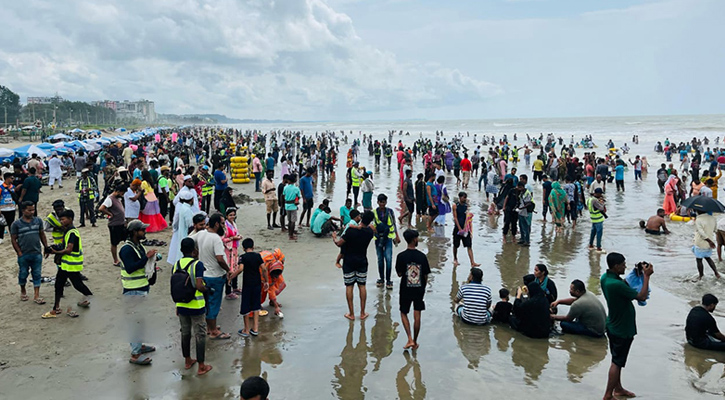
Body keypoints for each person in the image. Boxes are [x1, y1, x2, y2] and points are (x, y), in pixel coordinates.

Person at [600, 252, 653, 400]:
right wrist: (647, 276)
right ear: (616, 266)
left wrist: (636, 273)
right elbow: (641, 296)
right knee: (617, 363)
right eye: (623, 264)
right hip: (622, 329)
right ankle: (607, 395)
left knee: (617, 359)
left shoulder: (606, 279)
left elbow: (625, 285)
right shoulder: (615, 285)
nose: (625, 266)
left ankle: (618, 388)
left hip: (613, 324)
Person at [119, 220, 158, 366]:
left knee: (140, 320)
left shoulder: (137, 246)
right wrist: (146, 258)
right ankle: (135, 354)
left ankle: (139, 346)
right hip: (133, 289)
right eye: (142, 230)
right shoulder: (126, 249)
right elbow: (130, 268)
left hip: (140, 287)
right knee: (135, 322)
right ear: (134, 232)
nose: (144, 232)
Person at [43, 210, 94, 319]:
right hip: (66, 264)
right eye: (60, 220)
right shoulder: (68, 231)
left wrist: (54, 252)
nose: (61, 222)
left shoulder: (72, 233)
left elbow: (69, 250)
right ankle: (56, 308)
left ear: (70, 219)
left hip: (71, 264)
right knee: (60, 284)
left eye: (63, 219)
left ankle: (91, 299)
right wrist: (52, 248)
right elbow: (63, 245)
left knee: (76, 284)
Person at [173, 237, 213, 375]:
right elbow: (199, 285)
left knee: (185, 333)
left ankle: (188, 360)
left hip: (181, 304)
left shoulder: (176, 264)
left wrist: (177, 305)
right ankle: (202, 365)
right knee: (200, 334)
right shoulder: (197, 265)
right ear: (195, 251)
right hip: (196, 305)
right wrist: (207, 289)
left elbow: (176, 285)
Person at [332, 210, 375, 320]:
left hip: (349, 261)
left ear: (360, 217)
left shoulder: (351, 231)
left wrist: (334, 238)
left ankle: (351, 313)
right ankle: (362, 312)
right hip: (362, 260)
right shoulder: (370, 232)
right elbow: (372, 228)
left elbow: (339, 243)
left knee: (349, 286)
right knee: (362, 286)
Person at [194, 213, 231, 340]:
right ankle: (214, 331)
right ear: (216, 224)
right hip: (215, 276)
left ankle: (210, 327)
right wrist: (229, 270)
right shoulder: (216, 239)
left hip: (203, 275)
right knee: (214, 304)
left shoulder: (200, 234)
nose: (223, 226)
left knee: (207, 303)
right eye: (222, 224)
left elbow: (187, 241)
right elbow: (220, 259)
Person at [395, 229, 431, 350]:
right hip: (419, 288)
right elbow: (426, 275)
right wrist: (423, 288)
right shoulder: (422, 256)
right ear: (415, 239)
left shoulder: (401, 256)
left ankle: (409, 338)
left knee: (403, 312)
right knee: (417, 315)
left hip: (405, 288)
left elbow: (399, 274)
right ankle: (415, 341)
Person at [11, 201, 49, 304]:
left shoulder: (38, 221)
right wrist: (19, 252)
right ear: (23, 211)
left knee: (37, 273)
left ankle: (36, 295)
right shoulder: (16, 224)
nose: (32, 212)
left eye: (33, 209)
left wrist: (46, 247)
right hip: (24, 254)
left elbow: (42, 234)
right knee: (23, 273)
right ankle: (23, 290)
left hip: (36, 253)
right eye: (29, 210)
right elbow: (13, 239)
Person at [231, 238, 267, 338]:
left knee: (246, 307)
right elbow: (264, 268)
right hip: (257, 283)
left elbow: (241, 269)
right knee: (256, 306)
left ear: (243, 248)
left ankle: (246, 330)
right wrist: (266, 281)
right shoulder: (258, 255)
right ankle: (255, 328)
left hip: (247, 285)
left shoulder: (242, 257)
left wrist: (232, 276)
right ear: (253, 247)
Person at [372, 194, 401, 289]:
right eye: (380, 202)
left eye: (383, 202)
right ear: (378, 202)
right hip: (378, 238)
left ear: (386, 202)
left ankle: (388, 280)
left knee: (388, 259)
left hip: (388, 237)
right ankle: (381, 279)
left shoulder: (390, 212)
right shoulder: (374, 212)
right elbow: (372, 225)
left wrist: (397, 236)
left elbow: (393, 224)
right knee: (380, 259)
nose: (382, 204)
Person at [99, 184, 127, 267]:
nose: (122, 195)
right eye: (122, 193)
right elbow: (101, 208)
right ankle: (115, 260)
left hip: (121, 223)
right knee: (114, 243)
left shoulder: (117, 198)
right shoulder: (110, 199)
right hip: (114, 224)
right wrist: (110, 214)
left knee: (126, 239)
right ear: (118, 191)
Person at [166, 190, 196, 265]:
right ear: (191, 200)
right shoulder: (187, 210)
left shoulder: (182, 207)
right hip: (186, 234)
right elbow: (190, 226)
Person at [451, 192, 479, 266]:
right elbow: (455, 218)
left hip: (466, 229)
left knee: (469, 245)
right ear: (460, 197)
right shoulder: (455, 206)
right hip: (457, 228)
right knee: (456, 245)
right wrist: (460, 228)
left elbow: (468, 217)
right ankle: (455, 258)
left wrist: (469, 228)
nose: (465, 199)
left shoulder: (466, 205)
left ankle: (472, 262)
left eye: (465, 197)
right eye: (463, 197)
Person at [692, 209, 721, 280]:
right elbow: (715, 230)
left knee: (699, 260)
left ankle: (701, 275)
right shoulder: (713, 218)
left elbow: (701, 232)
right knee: (708, 258)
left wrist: (709, 240)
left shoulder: (698, 219)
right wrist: (711, 241)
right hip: (710, 242)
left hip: (701, 242)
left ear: (698, 211)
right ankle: (716, 273)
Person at [222, 208, 242, 300]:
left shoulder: (233, 224)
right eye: (230, 215)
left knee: (235, 267)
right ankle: (228, 291)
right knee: (229, 269)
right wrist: (232, 238)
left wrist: (237, 237)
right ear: (226, 216)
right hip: (228, 250)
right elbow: (222, 239)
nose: (232, 217)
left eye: (234, 215)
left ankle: (235, 287)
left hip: (234, 249)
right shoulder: (225, 226)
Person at [588, 188, 607, 252]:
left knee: (593, 232)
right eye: (600, 194)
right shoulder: (595, 200)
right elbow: (601, 208)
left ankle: (591, 245)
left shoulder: (590, 199)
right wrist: (602, 202)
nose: (601, 195)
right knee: (599, 233)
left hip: (593, 218)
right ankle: (599, 247)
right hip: (598, 219)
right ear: (597, 194)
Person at [0, 172, 17, 244]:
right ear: (7, 178)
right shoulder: (1, 188)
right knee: (1, 224)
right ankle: (1, 237)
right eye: (11, 178)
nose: (12, 179)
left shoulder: (13, 187)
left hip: (11, 208)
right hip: (3, 209)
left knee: (11, 224)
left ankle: (13, 237)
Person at [283, 174, 301, 240]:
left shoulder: (285, 188)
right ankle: (291, 235)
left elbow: (283, 196)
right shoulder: (296, 188)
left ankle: (290, 234)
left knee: (289, 220)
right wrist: (296, 199)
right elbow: (298, 196)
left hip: (287, 205)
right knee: (293, 221)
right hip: (293, 205)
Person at [516, 181, 534, 246]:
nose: (518, 188)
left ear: (523, 187)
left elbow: (529, 203)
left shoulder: (527, 193)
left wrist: (522, 207)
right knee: (521, 226)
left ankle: (527, 241)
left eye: (520, 187)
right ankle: (522, 239)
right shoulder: (521, 193)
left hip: (527, 212)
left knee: (526, 227)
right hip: (521, 212)